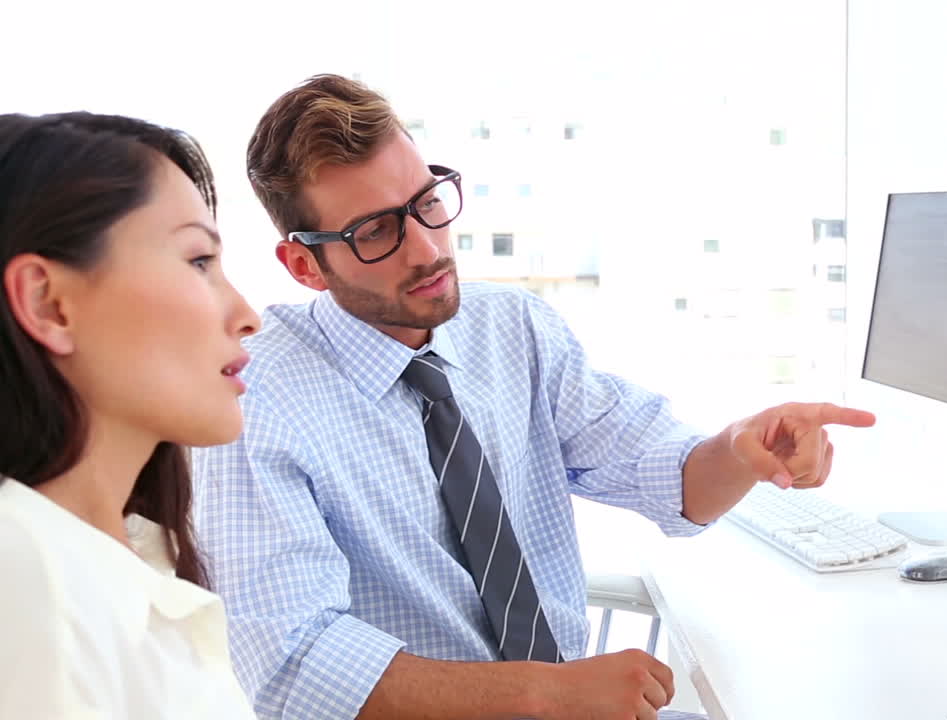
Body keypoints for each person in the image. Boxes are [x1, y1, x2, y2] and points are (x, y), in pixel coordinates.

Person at [193, 74, 876, 720]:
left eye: (427, 203)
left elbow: (666, 476)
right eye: (376, 232)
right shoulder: (255, 397)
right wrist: (548, 694)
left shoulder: (512, 328)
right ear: (305, 265)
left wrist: (743, 451)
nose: (428, 249)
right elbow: (295, 666)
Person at [0, 112, 260, 717]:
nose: (248, 314)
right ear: (50, 304)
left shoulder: (119, 559)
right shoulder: (28, 570)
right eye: (199, 261)